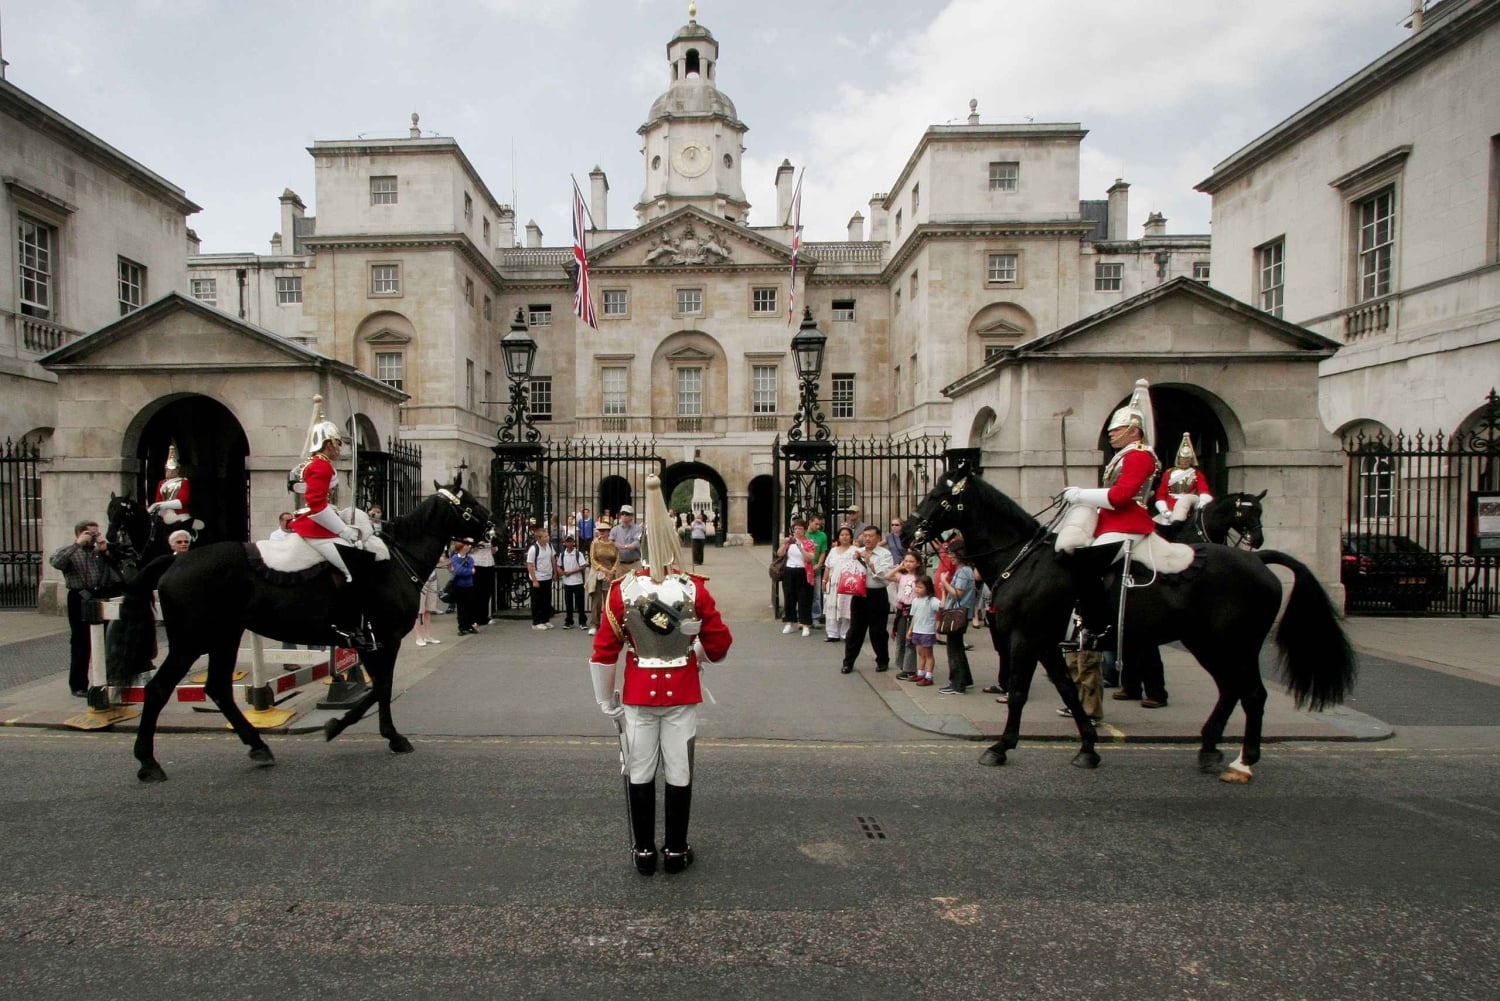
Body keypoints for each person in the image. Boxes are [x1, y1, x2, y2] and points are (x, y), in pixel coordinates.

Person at [589, 472, 733, 876]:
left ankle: (643, 852)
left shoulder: (622, 591)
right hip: (682, 691)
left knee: (638, 769)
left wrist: (606, 700)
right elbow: (721, 643)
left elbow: (604, 651)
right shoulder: (694, 589)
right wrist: (697, 652)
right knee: (679, 769)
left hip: (636, 693)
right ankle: (674, 849)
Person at [1057, 377, 1169, 709]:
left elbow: (1121, 497)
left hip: (1127, 523)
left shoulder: (1138, 456)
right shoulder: (1123, 456)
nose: (1110, 434)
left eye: (1117, 430)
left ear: (1135, 430)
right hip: (1113, 521)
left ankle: (1096, 621)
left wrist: (1080, 494)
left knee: (1089, 567)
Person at [49, 519, 124, 697]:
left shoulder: (100, 553)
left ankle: (108, 679)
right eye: (90, 533)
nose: (94, 537)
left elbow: (118, 569)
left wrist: (106, 550)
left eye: (96, 533)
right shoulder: (69, 551)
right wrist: (77, 545)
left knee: (107, 638)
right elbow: (57, 562)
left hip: (101, 595)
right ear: (80, 533)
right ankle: (78, 685)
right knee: (81, 641)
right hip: (79, 597)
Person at [841, 526, 893, 674]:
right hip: (859, 594)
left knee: (878, 631)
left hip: (877, 594)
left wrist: (870, 563)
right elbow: (847, 569)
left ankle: (882, 660)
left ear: (878, 538)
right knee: (855, 630)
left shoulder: (885, 554)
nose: (867, 539)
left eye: (871, 536)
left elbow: (886, 576)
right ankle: (848, 662)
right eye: (865, 536)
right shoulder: (857, 552)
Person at [938, 542, 978, 694]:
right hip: (962, 611)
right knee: (958, 647)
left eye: (952, 554)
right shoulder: (967, 570)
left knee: (954, 649)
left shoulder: (963, 571)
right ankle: (965, 679)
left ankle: (957, 683)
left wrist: (944, 582)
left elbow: (957, 593)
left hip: (957, 612)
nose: (950, 557)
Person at [1155, 432, 1213, 526]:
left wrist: (1203, 501)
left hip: (1188, 506)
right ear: (1178, 458)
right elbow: (1161, 494)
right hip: (1169, 507)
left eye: (1187, 459)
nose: (1185, 461)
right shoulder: (1168, 473)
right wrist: (1163, 509)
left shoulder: (1197, 474)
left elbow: (1204, 491)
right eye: (1183, 459)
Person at [776, 518, 816, 637]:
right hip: (789, 571)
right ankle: (790, 622)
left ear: (804, 530)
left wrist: (801, 548)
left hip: (803, 572)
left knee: (804, 598)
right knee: (789, 597)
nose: (797, 531)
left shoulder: (809, 543)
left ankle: (805, 624)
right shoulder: (790, 542)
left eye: (800, 529)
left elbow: (810, 558)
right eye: (795, 528)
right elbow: (779, 554)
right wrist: (785, 544)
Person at [818, 526, 858, 642]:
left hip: (848, 584)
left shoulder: (855, 550)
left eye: (847, 535)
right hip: (833, 582)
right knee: (832, 606)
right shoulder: (833, 550)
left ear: (850, 537)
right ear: (838, 537)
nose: (844, 537)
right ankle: (832, 633)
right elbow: (827, 567)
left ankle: (846, 633)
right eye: (842, 535)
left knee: (846, 607)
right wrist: (824, 581)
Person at [147, 441, 197, 530]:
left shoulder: (183, 482)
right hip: (164, 515)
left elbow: (183, 502)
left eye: (170, 470)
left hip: (180, 515)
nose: (168, 472)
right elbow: (158, 499)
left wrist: (161, 505)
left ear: (176, 471)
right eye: (167, 470)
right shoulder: (161, 483)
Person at [904, 576, 940, 687]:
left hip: (927, 631)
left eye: (920, 587)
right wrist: (910, 630)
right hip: (917, 630)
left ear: (928, 588)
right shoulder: (915, 600)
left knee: (928, 654)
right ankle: (920, 673)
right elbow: (914, 616)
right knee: (920, 654)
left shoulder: (932, 600)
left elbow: (942, 606)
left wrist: (944, 591)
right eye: (917, 587)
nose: (917, 589)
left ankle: (929, 676)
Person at [890, 552, 921, 679]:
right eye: (906, 561)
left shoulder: (919, 578)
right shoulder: (902, 576)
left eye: (911, 561)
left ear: (918, 563)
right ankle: (902, 664)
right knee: (900, 638)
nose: (908, 564)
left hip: (912, 610)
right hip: (901, 609)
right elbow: (887, 576)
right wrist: (899, 567)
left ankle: (910, 668)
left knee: (910, 640)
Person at [587, 517, 620, 637]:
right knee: (596, 600)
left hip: (610, 574)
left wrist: (612, 571)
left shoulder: (613, 545)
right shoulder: (595, 543)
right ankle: (594, 624)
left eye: (604, 530)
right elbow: (592, 560)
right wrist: (604, 570)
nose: (602, 532)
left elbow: (617, 559)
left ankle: (607, 624)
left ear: (608, 531)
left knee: (608, 601)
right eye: (600, 530)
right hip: (597, 573)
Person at [526, 523, 559, 630]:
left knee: (546, 600)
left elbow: (553, 559)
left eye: (548, 536)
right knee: (537, 601)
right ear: (539, 538)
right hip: (538, 578)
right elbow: (530, 565)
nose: (548, 537)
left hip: (547, 577)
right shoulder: (533, 549)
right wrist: (534, 580)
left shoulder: (549, 546)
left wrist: (555, 573)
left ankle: (545, 620)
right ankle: (536, 622)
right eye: (545, 536)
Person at [558, 534, 589, 629]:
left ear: (573, 542)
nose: (569, 543)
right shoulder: (562, 554)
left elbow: (583, 565)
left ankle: (582, 621)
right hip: (567, 582)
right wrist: (562, 572)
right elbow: (558, 565)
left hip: (577, 581)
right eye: (567, 541)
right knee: (568, 603)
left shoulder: (578, 554)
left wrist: (571, 572)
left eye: (571, 541)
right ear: (565, 543)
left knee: (580, 603)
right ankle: (569, 621)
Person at [413, 557, 444, 647]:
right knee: (419, 610)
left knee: (429, 609)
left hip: (432, 576)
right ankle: (418, 637)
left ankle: (427, 635)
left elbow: (441, 560)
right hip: (421, 578)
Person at [449, 541, 479, 635]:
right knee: (461, 607)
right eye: (466, 545)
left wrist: (467, 571)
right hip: (459, 585)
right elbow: (459, 571)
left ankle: (469, 625)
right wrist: (470, 571)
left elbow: (470, 568)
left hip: (469, 585)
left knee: (470, 606)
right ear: (461, 547)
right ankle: (462, 627)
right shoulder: (455, 558)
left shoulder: (470, 558)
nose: (468, 547)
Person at [805, 514, 829, 626]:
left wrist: (819, 564)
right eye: (816, 524)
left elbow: (823, 551)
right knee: (803, 593)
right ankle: (803, 616)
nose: (818, 526)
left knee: (816, 595)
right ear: (809, 522)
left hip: (816, 569)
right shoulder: (804, 534)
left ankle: (815, 617)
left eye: (820, 524)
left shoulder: (822, 536)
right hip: (804, 569)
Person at [469, 536, 496, 626]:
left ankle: (483, 617)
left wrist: (492, 545)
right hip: (476, 563)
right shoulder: (471, 536)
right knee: (476, 591)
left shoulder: (490, 536)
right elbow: (466, 550)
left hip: (488, 563)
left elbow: (494, 551)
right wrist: (477, 545)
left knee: (486, 591)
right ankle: (473, 618)